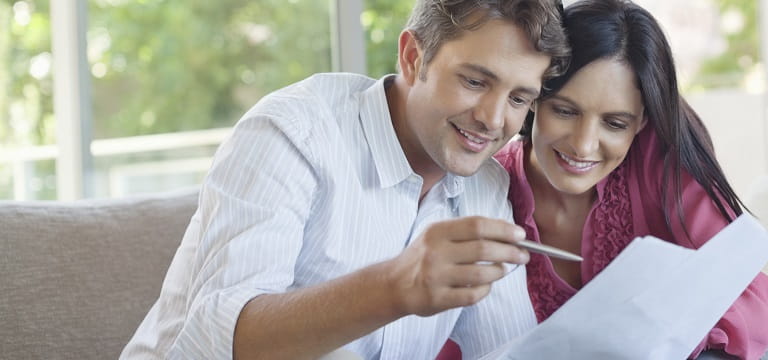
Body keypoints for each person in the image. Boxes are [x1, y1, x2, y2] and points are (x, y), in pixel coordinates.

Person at [120, 1, 570, 359]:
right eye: (474, 81)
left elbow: (507, 350)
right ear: (414, 57)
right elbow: (219, 341)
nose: (494, 119)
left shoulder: (487, 187)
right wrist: (395, 285)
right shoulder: (293, 133)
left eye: (518, 98)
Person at [440, 0, 768, 359]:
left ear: (641, 123)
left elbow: (746, 303)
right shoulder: (488, 190)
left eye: (615, 123)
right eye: (564, 111)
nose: (583, 145)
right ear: (534, 101)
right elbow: (450, 336)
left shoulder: (662, 162)